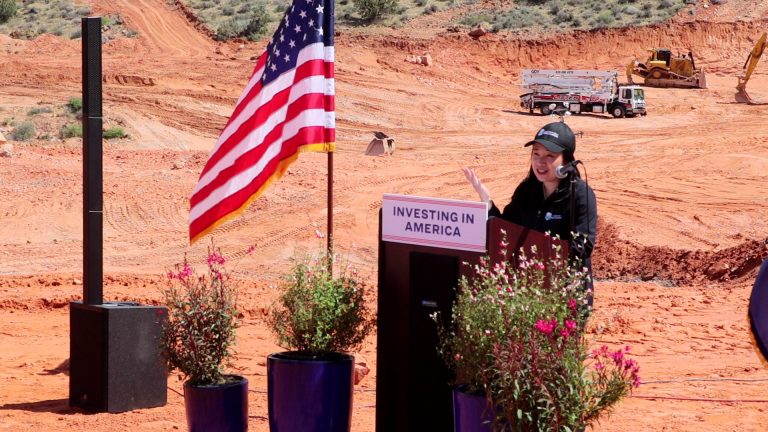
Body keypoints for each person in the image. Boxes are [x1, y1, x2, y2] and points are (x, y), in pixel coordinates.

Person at [463, 121, 597, 308]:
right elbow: (506, 229)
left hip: (566, 295)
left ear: (566, 161)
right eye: (536, 154)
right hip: (528, 294)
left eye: (549, 156)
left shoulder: (580, 194)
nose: (540, 162)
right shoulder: (527, 191)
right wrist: (486, 201)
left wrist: (541, 253)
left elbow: (583, 247)